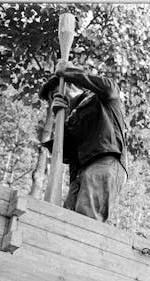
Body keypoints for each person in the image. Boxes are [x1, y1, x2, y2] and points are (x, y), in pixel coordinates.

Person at [39, 61, 128, 223]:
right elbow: (64, 153)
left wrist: (68, 72)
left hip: (104, 161)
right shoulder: (71, 117)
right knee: (64, 219)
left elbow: (110, 87)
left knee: (86, 220)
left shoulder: (100, 97)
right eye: (52, 99)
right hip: (80, 173)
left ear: (71, 84)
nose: (55, 99)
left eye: (56, 93)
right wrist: (60, 117)